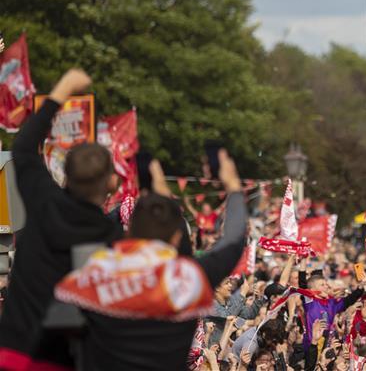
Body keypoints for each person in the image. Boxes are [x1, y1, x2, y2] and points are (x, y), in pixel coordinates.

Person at [53, 149, 248, 371]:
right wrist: (234, 187)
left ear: (129, 231)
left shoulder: (89, 272)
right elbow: (233, 240)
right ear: (176, 238)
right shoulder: (188, 279)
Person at [0, 69, 122, 371]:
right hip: (58, 360)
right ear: (111, 182)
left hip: (10, 353)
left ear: (64, 173)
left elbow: (24, 147)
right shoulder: (111, 236)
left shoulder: (42, 200)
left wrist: (62, 90)